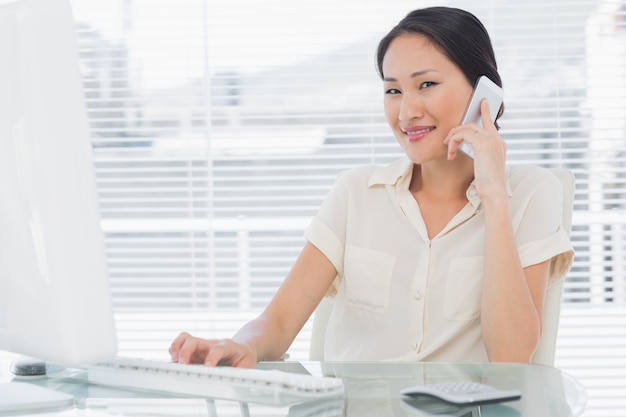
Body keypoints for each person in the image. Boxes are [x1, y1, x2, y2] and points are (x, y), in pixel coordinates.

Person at [169, 6, 574, 367]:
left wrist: (494, 197)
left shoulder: (530, 193)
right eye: (393, 90)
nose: (407, 111)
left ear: (484, 91)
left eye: (427, 84)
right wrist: (242, 346)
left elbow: (511, 356)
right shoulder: (356, 193)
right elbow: (276, 323)